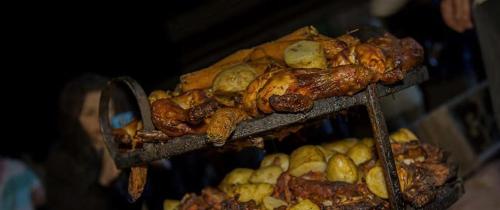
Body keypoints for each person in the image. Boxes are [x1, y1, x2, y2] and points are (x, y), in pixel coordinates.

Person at [45, 73, 139, 210]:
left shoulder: (128, 141)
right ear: (73, 120)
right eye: (89, 113)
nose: (101, 119)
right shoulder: (61, 161)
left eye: (106, 109)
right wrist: (103, 183)